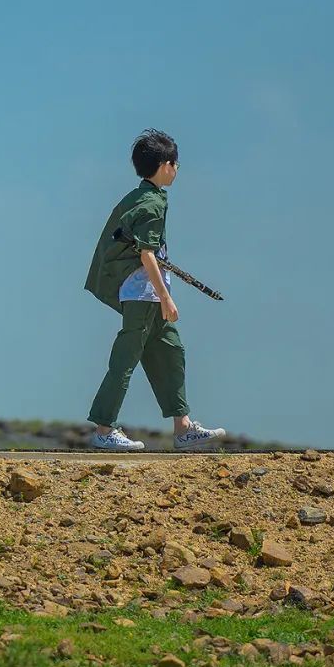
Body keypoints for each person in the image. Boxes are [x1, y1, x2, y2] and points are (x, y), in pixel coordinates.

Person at [83, 129, 225, 451]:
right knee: (125, 360)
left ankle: (183, 428)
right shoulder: (150, 204)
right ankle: (105, 429)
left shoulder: (142, 197)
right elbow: (147, 254)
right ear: (165, 164)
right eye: (175, 163)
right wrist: (166, 297)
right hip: (143, 295)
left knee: (171, 353)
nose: (177, 170)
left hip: (146, 293)